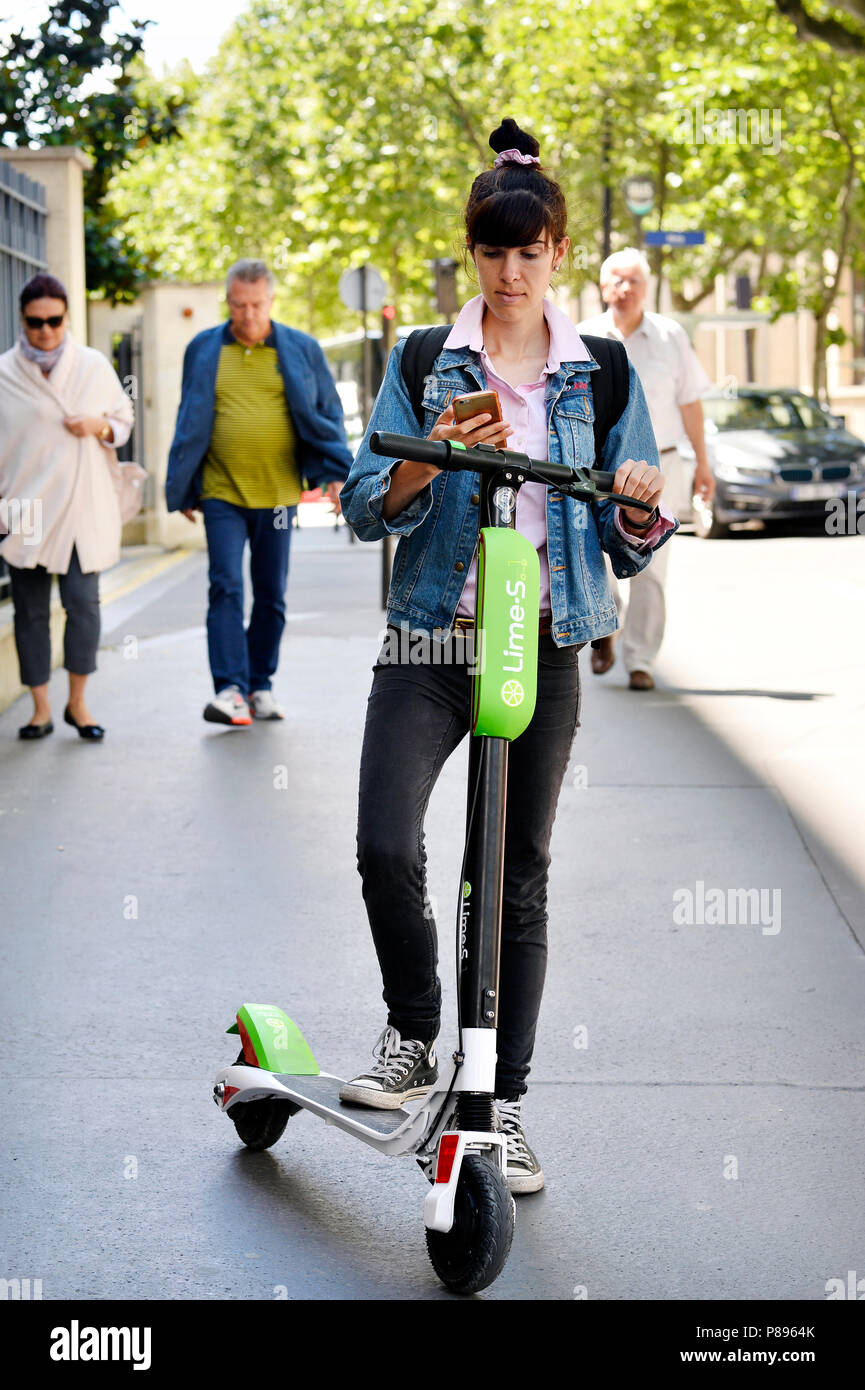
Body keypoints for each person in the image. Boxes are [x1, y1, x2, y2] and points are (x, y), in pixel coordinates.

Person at [339, 119, 676, 1194]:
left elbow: (633, 528)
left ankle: (503, 1102)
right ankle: (411, 1033)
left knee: (513, 876)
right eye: (493, 251)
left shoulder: (603, 371)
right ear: (472, 254)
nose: (511, 270)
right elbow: (362, 506)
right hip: (432, 636)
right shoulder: (425, 361)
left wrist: (639, 507)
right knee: (386, 844)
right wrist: (435, 465)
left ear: (558, 255)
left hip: (540, 639)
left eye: (530, 252)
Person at [165, 259, 353, 726]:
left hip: (279, 495)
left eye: (256, 304)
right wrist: (183, 485)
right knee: (225, 585)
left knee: (271, 593)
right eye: (238, 305)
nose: (247, 314)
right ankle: (230, 689)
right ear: (227, 301)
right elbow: (189, 419)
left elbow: (326, 414)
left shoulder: (301, 348)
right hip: (221, 492)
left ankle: (260, 684)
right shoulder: (203, 349)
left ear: (270, 301)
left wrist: (335, 471)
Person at [0, 273, 134, 742]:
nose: (45, 331)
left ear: (66, 318)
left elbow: (124, 423)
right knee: (31, 611)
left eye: (55, 321)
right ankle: (40, 709)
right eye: (36, 322)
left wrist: (99, 424)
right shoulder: (4, 374)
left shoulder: (93, 366)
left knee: (83, 604)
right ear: (23, 320)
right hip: (27, 509)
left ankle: (78, 702)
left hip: (81, 503)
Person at [578, 249, 714, 689]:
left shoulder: (670, 336)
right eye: (616, 280)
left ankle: (641, 660)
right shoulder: (581, 337)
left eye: (633, 280)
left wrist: (704, 466)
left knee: (652, 565)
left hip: (663, 465)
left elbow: (690, 402)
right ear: (603, 288)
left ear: (646, 287)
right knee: (599, 557)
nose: (625, 289)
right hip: (600, 471)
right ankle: (607, 628)